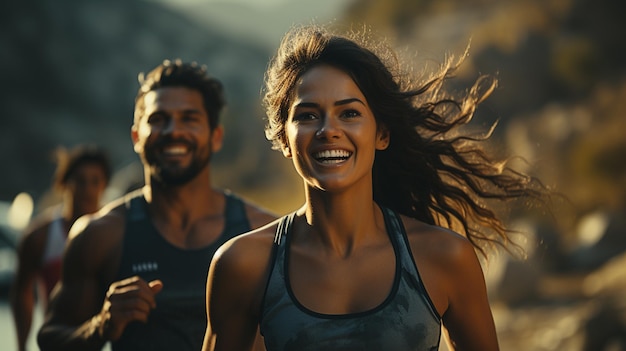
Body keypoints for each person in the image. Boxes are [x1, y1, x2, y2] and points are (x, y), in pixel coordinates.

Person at [203, 25, 549, 351]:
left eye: (349, 113)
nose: (328, 130)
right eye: (307, 115)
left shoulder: (445, 257)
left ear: (382, 134)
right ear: (284, 139)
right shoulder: (243, 264)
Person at [37, 60, 276, 351]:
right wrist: (101, 326)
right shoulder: (100, 235)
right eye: (159, 119)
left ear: (216, 137)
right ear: (136, 136)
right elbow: (50, 339)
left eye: (189, 118)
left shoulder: (264, 233)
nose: (173, 131)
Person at [11, 144, 112, 351]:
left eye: (95, 181)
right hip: (57, 342)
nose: (88, 190)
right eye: (80, 181)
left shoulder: (114, 233)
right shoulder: (40, 237)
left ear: (104, 185)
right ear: (65, 183)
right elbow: (22, 294)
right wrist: (21, 346)